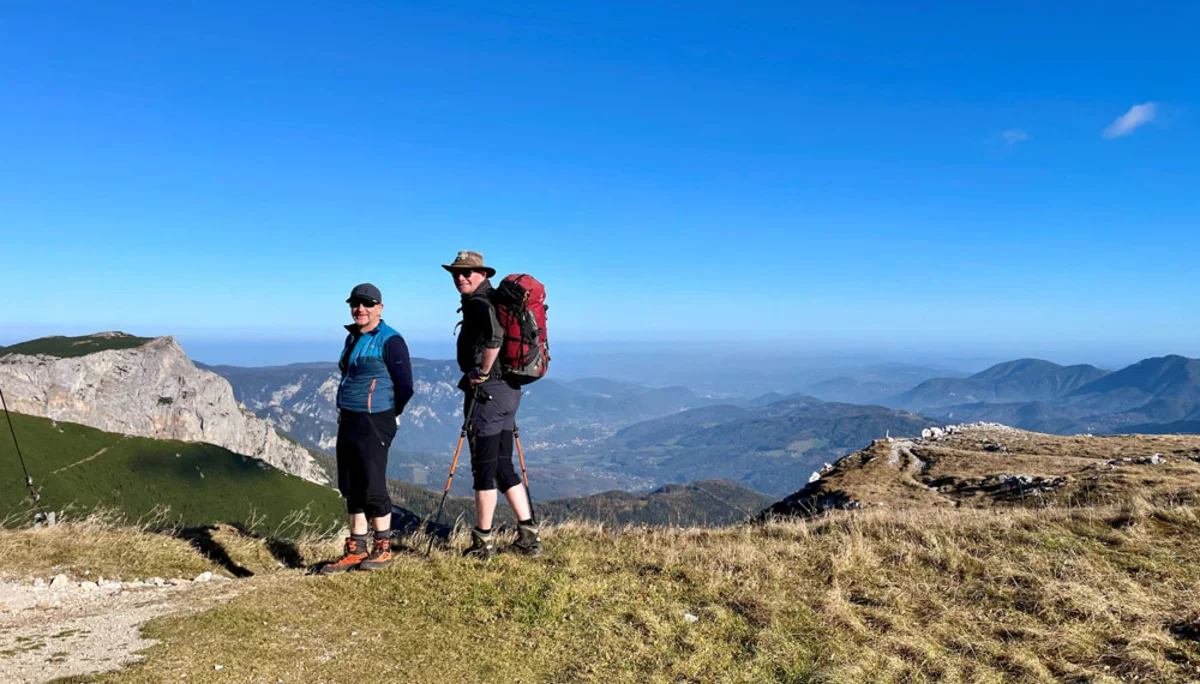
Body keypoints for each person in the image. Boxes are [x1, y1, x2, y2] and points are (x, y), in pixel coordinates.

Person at [443, 250, 541, 559]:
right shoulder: (493, 301)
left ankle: (482, 543)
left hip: (489, 395)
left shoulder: (479, 303)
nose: (461, 277)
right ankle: (529, 536)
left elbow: (495, 339)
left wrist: (481, 372)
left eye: (467, 272)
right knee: (501, 466)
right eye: (456, 273)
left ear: (483, 274)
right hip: (509, 392)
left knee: (483, 470)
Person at [321, 283, 414, 574]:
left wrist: (390, 413)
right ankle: (356, 548)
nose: (361, 308)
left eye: (368, 304)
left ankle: (382, 549)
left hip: (375, 418)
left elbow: (405, 386)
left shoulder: (390, 340)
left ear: (380, 308)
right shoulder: (353, 338)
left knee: (373, 483)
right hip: (349, 416)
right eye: (356, 303)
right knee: (350, 484)